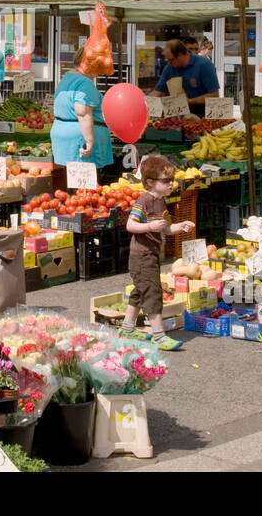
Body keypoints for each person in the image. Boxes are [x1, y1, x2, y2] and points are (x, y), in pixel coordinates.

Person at [120, 155, 193, 351]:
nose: (171, 184)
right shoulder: (144, 201)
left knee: (140, 291)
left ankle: (127, 328)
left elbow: (166, 229)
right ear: (151, 182)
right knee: (152, 293)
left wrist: (181, 226)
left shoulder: (161, 202)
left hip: (151, 254)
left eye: (172, 180)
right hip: (141, 255)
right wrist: (150, 225)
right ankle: (158, 335)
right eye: (166, 180)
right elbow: (130, 225)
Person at [50, 47, 113, 168]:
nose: (101, 70)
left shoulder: (67, 78)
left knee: (72, 179)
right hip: (79, 139)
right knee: (86, 183)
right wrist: (89, 141)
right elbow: (83, 112)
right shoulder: (85, 83)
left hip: (65, 136)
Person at [151, 38, 220, 111]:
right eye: (167, 60)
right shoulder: (169, 68)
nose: (169, 63)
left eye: (171, 60)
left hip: (204, 116)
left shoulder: (204, 64)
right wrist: (145, 103)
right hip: (179, 116)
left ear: (180, 55)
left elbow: (214, 96)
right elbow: (157, 92)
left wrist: (189, 101)